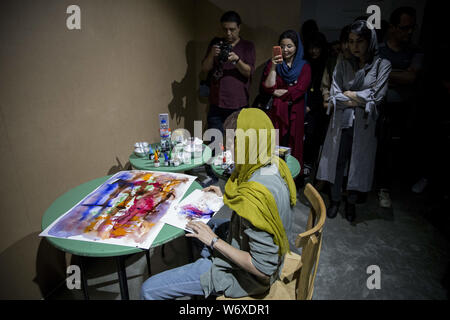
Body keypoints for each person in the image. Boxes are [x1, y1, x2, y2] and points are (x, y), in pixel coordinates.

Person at [141, 108, 296, 300]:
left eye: (231, 142)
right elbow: (258, 215)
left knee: (148, 289)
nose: (226, 147)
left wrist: (214, 241)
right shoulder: (272, 164)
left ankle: (208, 271)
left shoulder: (256, 197)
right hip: (252, 244)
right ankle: (204, 266)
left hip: (247, 277)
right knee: (201, 227)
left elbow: (262, 269)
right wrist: (223, 198)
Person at [316, 20, 392, 222]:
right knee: (338, 162)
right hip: (342, 121)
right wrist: (357, 98)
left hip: (364, 125)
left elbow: (377, 96)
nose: (354, 46)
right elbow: (334, 95)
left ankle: (350, 203)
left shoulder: (381, 65)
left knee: (356, 164)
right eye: (350, 41)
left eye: (360, 41)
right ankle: (334, 200)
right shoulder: (342, 64)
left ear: (370, 41)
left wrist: (348, 94)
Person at [200, 10, 256, 187]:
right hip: (217, 102)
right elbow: (205, 68)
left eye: (232, 29)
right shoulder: (215, 44)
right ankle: (212, 176)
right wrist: (212, 54)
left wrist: (236, 59)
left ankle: (235, 176)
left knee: (235, 143)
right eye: (225, 30)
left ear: (239, 28)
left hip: (238, 103)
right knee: (214, 140)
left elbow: (249, 72)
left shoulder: (247, 46)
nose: (228, 34)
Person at [377, 7, 424, 206]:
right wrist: (398, 74)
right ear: (393, 28)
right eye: (405, 28)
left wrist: (385, 73)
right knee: (375, 148)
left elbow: (411, 77)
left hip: (401, 109)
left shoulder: (415, 51)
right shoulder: (379, 50)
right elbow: (373, 76)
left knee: (393, 150)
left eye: (412, 28)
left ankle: (384, 188)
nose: (409, 32)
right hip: (378, 106)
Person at [261, 30, 311, 171]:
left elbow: (300, 90)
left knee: (294, 144)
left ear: (296, 47)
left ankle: (292, 177)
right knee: (275, 144)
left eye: (289, 46)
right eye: (282, 46)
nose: (285, 50)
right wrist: (274, 66)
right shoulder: (272, 64)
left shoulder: (304, 66)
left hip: (296, 112)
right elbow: (269, 87)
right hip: (277, 112)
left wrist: (281, 92)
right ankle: (274, 175)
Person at [303, 31, 329, 178]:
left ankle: (309, 164)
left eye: (317, 47)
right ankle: (304, 163)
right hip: (305, 105)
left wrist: (311, 107)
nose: (314, 51)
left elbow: (324, 90)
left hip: (319, 108)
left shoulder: (326, 64)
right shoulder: (305, 64)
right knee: (305, 136)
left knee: (314, 137)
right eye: (311, 47)